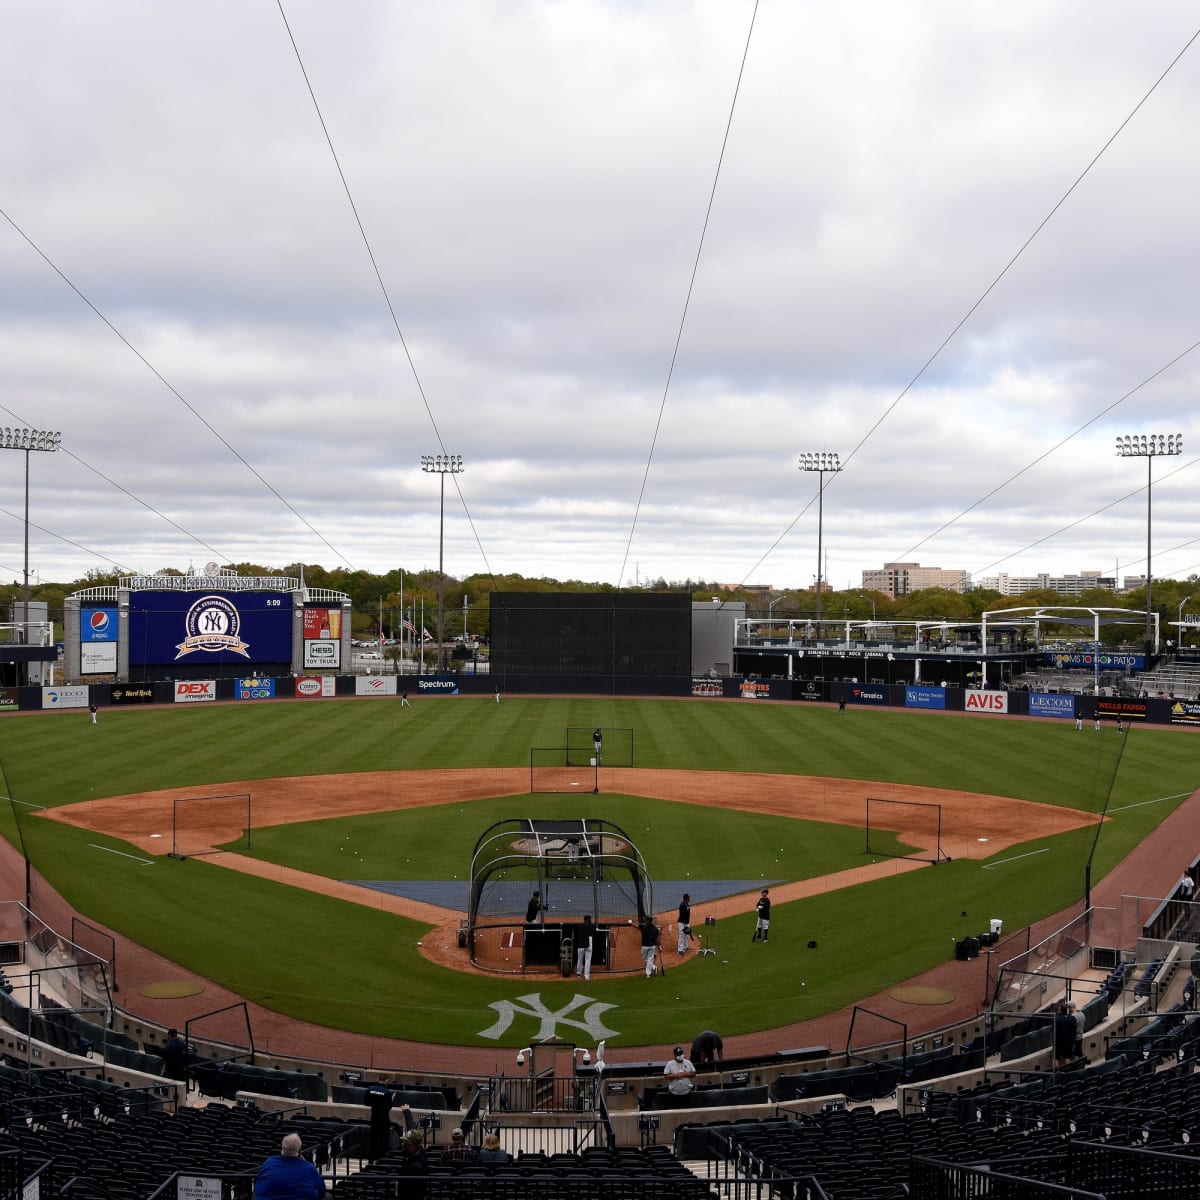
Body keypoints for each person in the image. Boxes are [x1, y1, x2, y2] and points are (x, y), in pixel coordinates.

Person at [254, 1133, 326, 1200]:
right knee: (328, 1196)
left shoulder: (269, 1162)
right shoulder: (309, 1168)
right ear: (299, 1150)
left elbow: (258, 1182)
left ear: (282, 1147)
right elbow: (322, 1191)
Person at [393, 1126, 430, 1199]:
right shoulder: (409, 1157)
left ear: (414, 1145)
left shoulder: (418, 1166)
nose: (403, 1145)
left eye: (406, 1142)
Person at [1053, 1002, 1077, 1068]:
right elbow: (1074, 1030)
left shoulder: (1056, 1019)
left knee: (1056, 1058)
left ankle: (1055, 1074)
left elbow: (1053, 1030)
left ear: (1060, 1010)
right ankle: (1067, 1073)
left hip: (1058, 1042)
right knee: (1067, 1057)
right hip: (1069, 1041)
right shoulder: (1072, 1018)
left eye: (1058, 1009)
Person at [576, 914, 595, 981]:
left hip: (580, 944)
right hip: (588, 944)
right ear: (588, 919)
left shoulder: (580, 926)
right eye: (590, 919)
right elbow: (593, 930)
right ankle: (587, 976)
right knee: (587, 960)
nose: (591, 920)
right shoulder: (591, 926)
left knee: (580, 959)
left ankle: (578, 973)